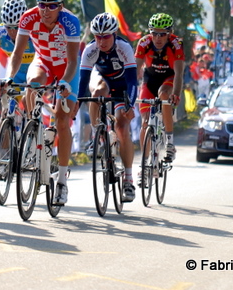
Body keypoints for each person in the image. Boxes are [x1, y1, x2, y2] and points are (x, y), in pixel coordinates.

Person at [0, 0, 81, 206]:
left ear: (61, 6)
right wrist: (8, 76)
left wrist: (65, 82)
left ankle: (62, 181)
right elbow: (16, 54)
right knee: (33, 83)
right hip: (44, 61)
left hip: (66, 67)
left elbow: (74, 60)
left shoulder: (71, 22)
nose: (46, 10)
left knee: (62, 121)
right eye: (42, 5)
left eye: (52, 6)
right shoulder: (28, 17)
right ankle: (33, 127)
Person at [78, 13, 138, 202]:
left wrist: (130, 104)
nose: (101, 41)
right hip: (103, 79)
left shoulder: (124, 48)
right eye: (97, 36)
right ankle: (97, 135)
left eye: (105, 36)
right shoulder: (90, 50)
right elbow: (83, 82)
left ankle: (128, 179)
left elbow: (132, 81)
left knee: (122, 128)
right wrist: (77, 105)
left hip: (122, 86)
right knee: (97, 91)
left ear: (114, 34)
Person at [135, 13, 185, 162]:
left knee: (163, 94)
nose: (158, 37)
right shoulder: (144, 43)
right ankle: (144, 164)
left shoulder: (176, 44)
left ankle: (169, 143)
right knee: (145, 122)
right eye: (154, 33)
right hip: (150, 79)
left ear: (169, 33)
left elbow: (179, 73)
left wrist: (175, 94)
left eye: (162, 34)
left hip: (169, 78)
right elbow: (134, 69)